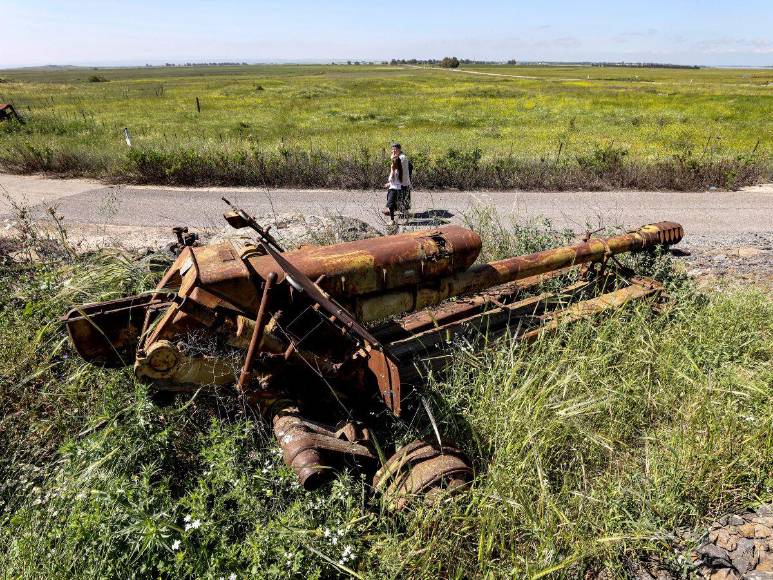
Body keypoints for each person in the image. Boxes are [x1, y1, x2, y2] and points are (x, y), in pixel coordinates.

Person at [391, 143, 411, 214]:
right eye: (392, 149)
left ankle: (405, 213)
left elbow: (396, 168)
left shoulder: (402, 157)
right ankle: (394, 210)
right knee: (396, 196)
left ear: (399, 149)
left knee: (402, 197)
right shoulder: (398, 157)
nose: (393, 151)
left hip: (402, 182)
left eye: (395, 149)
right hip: (399, 181)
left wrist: (393, 159)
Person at [383, 156, 403, 221]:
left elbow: (391, 179)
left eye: (392, 163)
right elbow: (396, 181)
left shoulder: (395, 171)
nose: (391, 164)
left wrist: (391, 169)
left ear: (394, 164)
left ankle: (392, 220)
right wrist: (388, 184)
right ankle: (393, 216)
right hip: (396, 189)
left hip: (394, 190)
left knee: (391, 205)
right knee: (392, 204)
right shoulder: (400, 170)